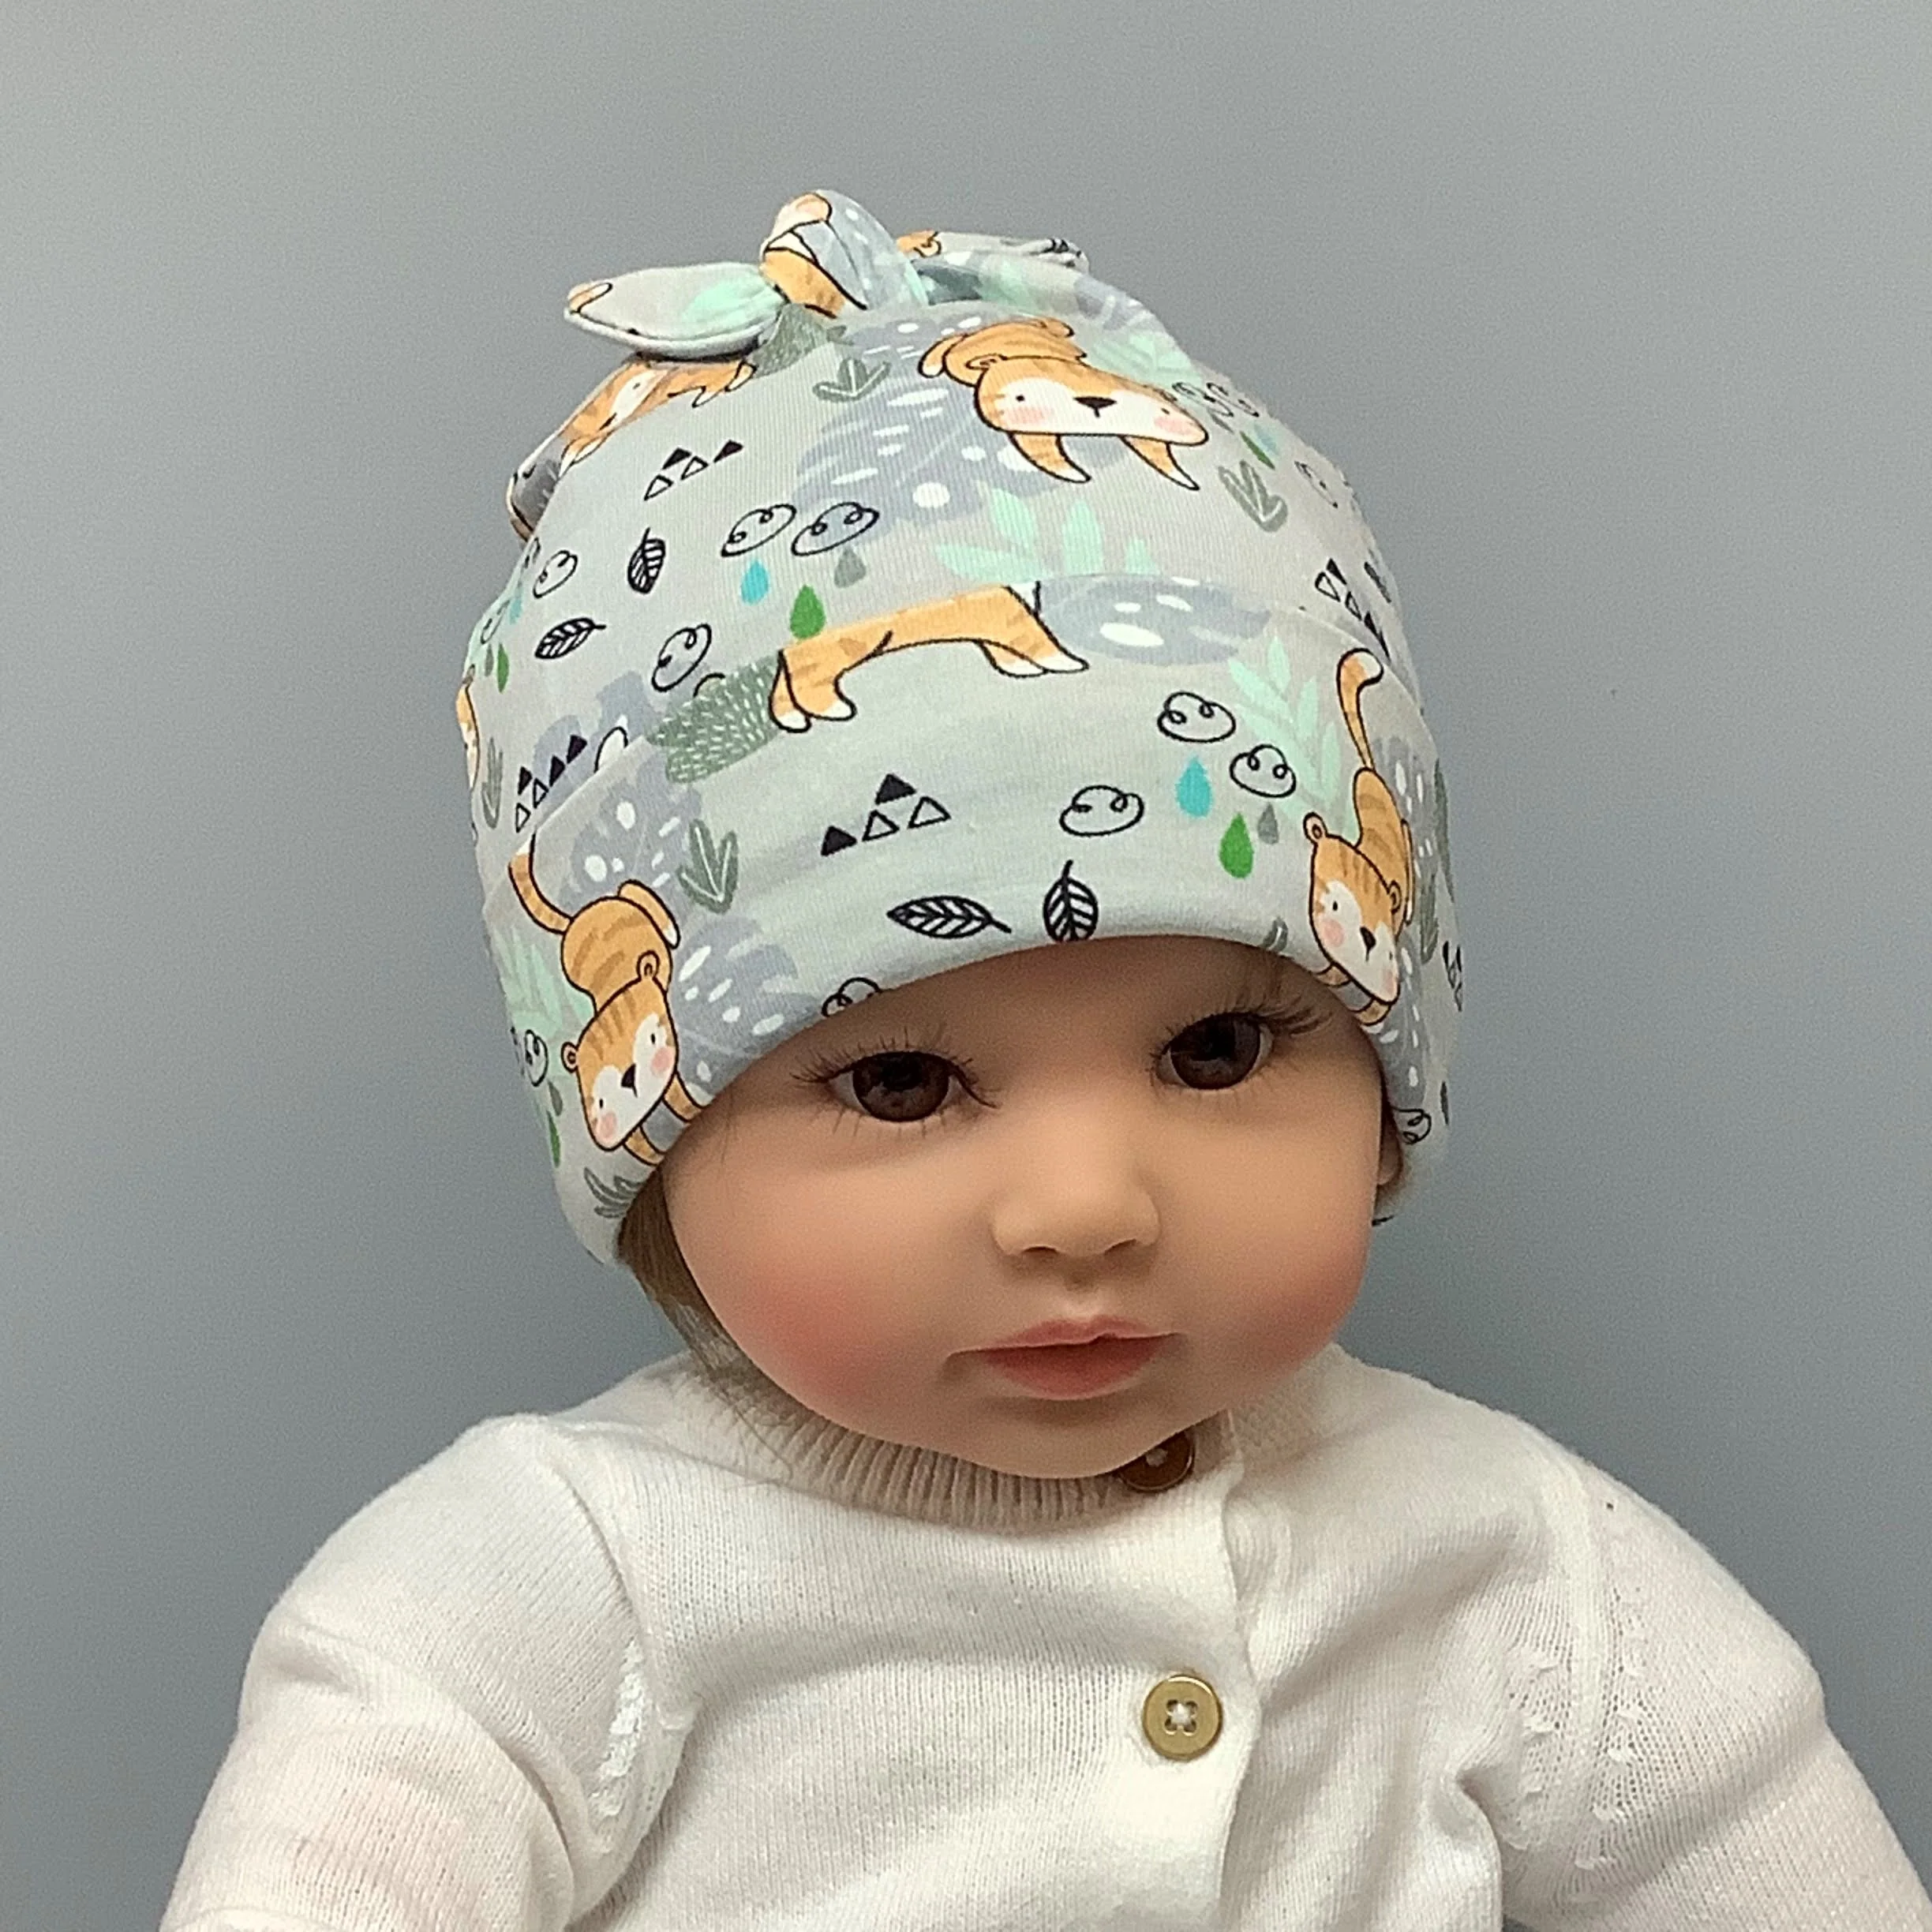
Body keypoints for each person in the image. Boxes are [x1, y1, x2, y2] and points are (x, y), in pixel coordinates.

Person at [160, 188, 1931, 1929]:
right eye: (901, 1084)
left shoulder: (1507, 1568)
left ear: (1387, 1086)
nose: (1086, 1206)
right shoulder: (551, 1587)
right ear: (652, 1140)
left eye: (1218, 1049)